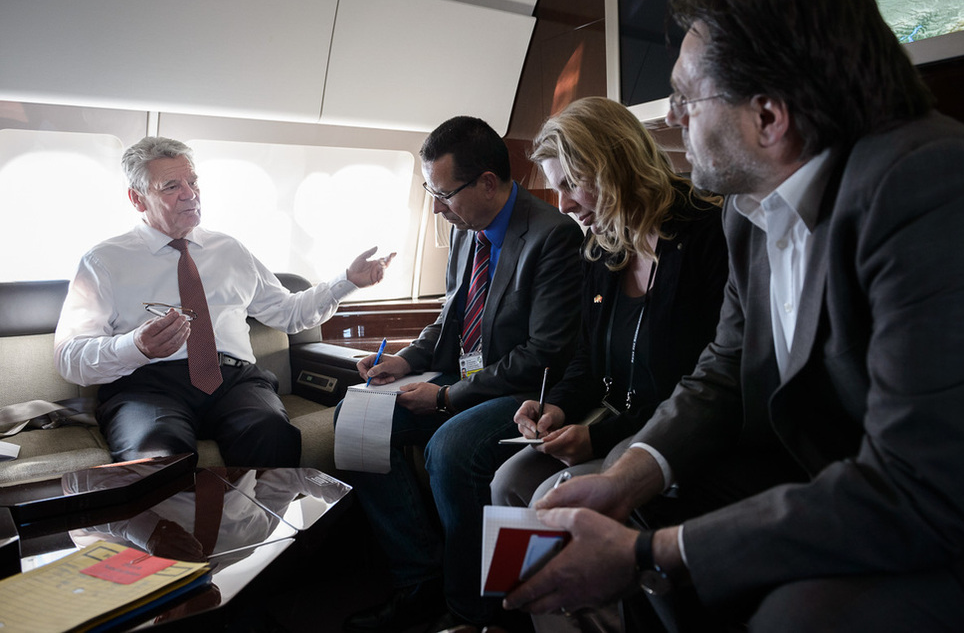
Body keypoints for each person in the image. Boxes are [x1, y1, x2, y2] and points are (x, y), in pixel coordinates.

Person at [502, 0, 964, 631]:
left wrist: (648, 553)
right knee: (611, 498)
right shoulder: (745, 212)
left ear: (768, 116)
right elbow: (722, 372)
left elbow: (918, 484)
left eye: (685, 99)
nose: (670, 119)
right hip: (820, 474)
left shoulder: (930, 186)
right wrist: (624, 475)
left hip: (934, 507)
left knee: (796, 617)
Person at [339, 116, 583, 632]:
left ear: (488, 183)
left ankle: (474, 613)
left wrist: (447, 396)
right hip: (463, 376)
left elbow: (545, 352)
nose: (435, 206)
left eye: (443, 194)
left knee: (450, 451)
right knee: (353, 418)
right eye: (430, 191)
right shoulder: (466, 232)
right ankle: (420, 577)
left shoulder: (552, 236)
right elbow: (449, 318)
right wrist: (406, 361)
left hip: (519, 391)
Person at [55, 136, 391, 468]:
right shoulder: (104, 262)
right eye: (171, 186)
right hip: (148, 386)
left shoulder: (229, 251)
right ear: (137, 199)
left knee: (271, 432)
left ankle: (264, 524)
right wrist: (135, 346)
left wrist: (347, 281)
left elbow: (289, 314)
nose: (190, 194)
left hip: (234, 380)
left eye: (193, 181)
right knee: (156, 455)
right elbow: (70, 358)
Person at [492, 96, 726, 515]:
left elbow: (708, 381)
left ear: (612, 168)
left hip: (674, 429)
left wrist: (598, 439)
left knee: (549, 500)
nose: (562, 205)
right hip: (613, 420)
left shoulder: (708, 235)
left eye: (568, 185)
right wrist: (557, 407)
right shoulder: (601, 249)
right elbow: (587, 358)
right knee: (508, 483)